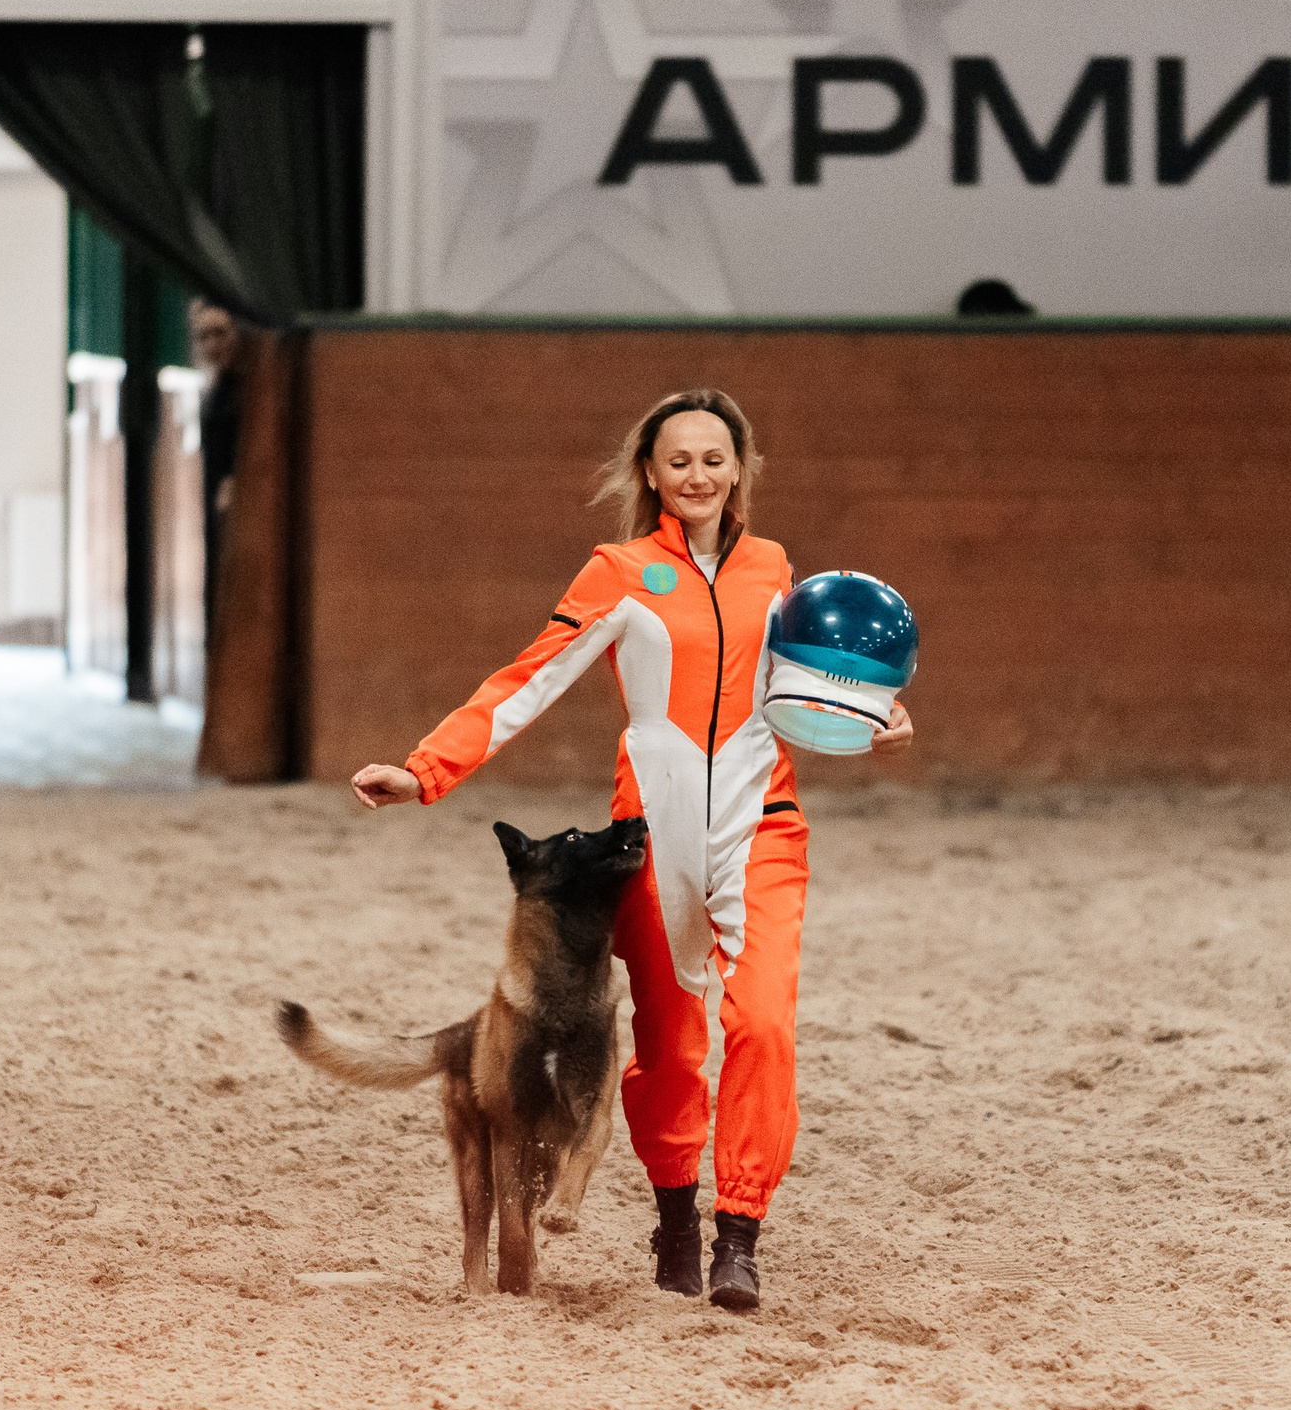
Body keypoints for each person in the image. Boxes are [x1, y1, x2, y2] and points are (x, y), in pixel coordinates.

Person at [346, 389, 914, 1311]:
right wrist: (427, 769)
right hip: (651, 835)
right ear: (650, 472)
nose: (698, 475)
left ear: (740, 470)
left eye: (715, 459)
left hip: (759, 823)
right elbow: (527, 680)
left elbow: (798, 698)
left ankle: (740, 1232)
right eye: (679, 460)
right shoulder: (618, 571)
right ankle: (676, 1217)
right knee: (669, 1043)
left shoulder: (775, 571)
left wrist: (868, 717)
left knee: (763, 1021)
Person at [189, 299, 244, 640]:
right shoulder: (215, 390)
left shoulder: (243, 392)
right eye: (204, 336)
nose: (213, 344)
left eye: (220, 333)